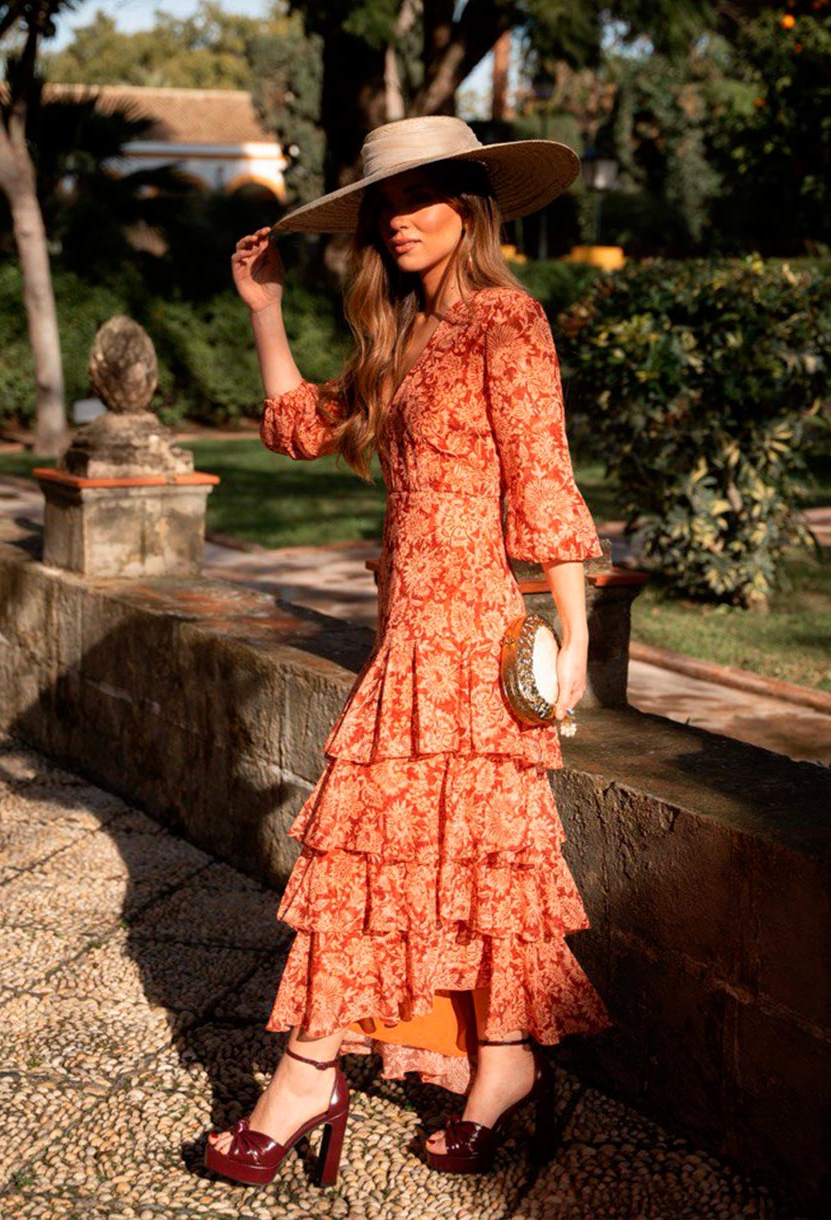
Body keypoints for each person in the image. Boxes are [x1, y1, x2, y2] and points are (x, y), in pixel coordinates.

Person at [205, 114, 613, 1188]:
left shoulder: (506, 319)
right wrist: (266, 311)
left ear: (469, 205)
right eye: (383, 203)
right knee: (413, 863)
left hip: (477, 646)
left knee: (454, 864)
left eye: (419, 196)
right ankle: (490, 1063)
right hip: (408, 642)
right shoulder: (402, 337)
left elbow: (543, 477)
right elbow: (299, 423)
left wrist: (571, 632)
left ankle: (322, 1073)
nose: (396, 220)